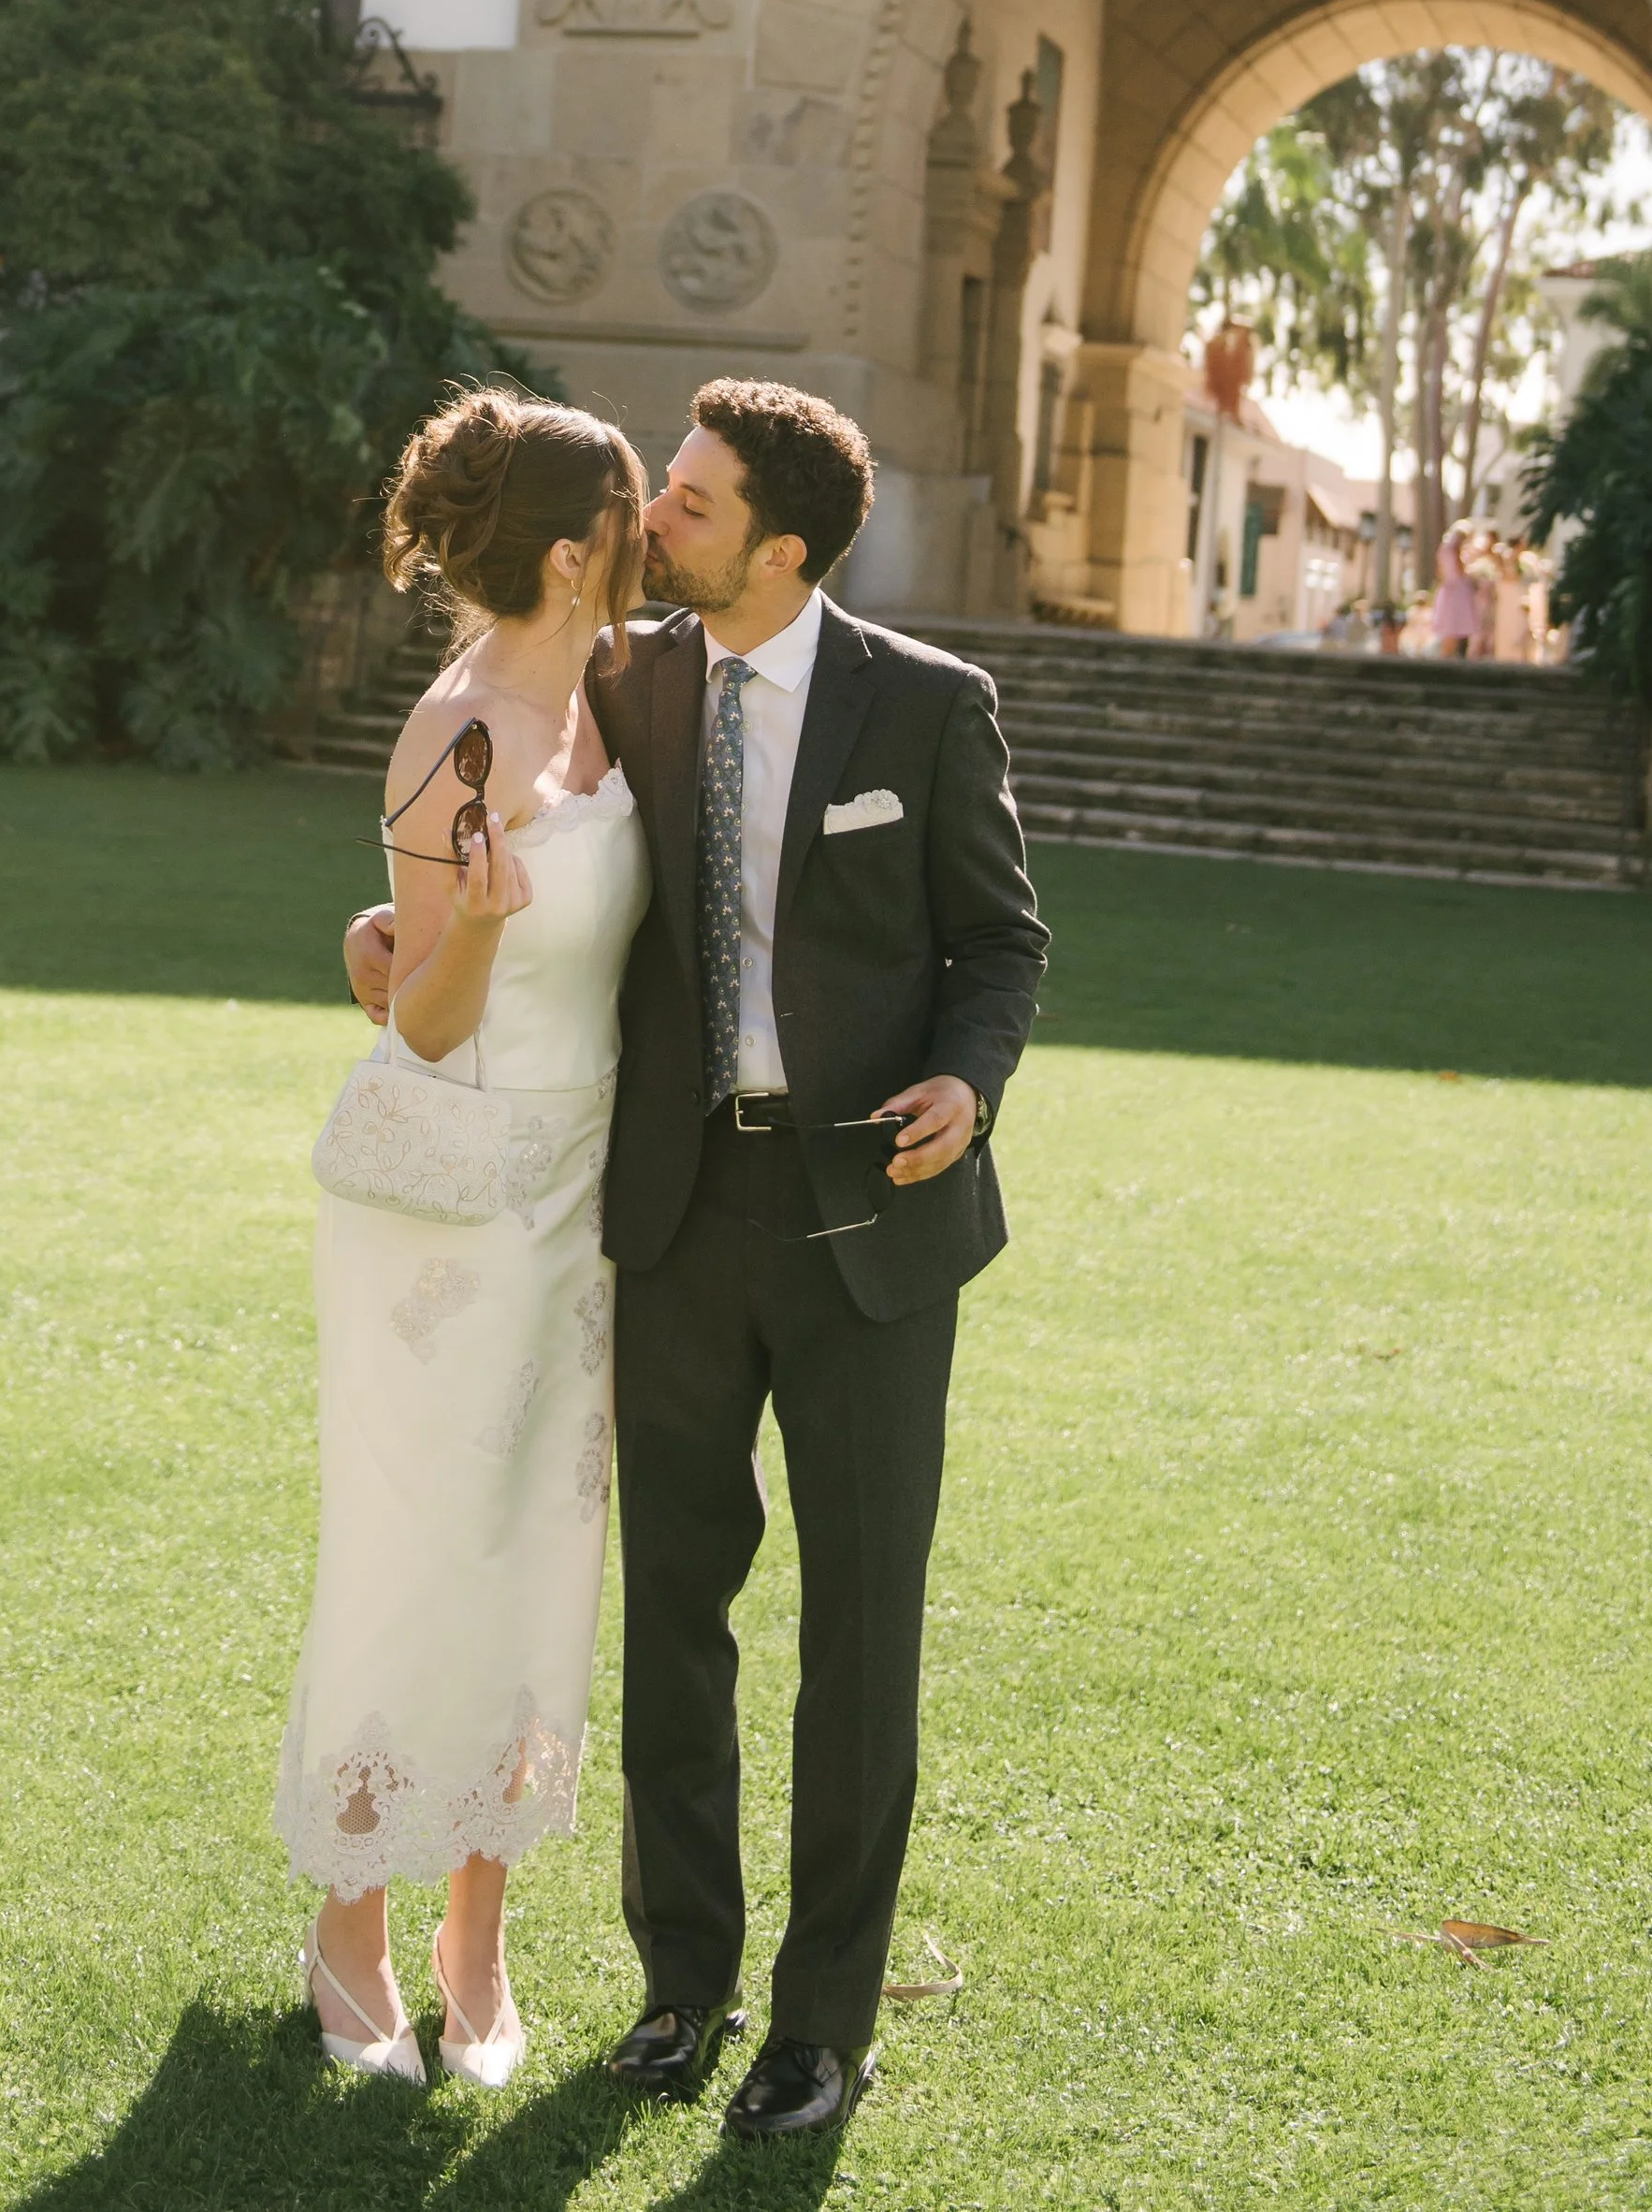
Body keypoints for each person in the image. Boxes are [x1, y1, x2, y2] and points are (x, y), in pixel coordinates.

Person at [346, 378, 1048, 2141]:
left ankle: (819, 2023)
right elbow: (481, 827)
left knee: (860, 1626)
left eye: (697, 499)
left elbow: (1000, 936)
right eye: (661, 488)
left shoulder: (929, 704)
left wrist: (970, 1072)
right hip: (660, 1211)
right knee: (672, 1610)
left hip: (873, 1225)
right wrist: (387, 928)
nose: (660, 517)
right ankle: (682, 1984)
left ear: (785, 546)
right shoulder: (628, 678)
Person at [283, 392, 650, 2090]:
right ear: (575, 551)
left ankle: (477, 1935)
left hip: (578, 1204)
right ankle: (348, 1927)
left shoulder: (622, 703)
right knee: (416, 1543)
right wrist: (468, 934)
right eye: (634, 524)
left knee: (538, 1555)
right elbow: (422, 1020)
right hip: (442, 1202)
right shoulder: (460, 732)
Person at [1430, 522, 1478, 661]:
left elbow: (1439, 572)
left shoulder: (1443, 551)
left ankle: (1448, 655)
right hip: (1457, 591)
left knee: (1451, 626)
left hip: (1449, 589)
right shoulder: (1455, 552)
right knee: (1454, 624)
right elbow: (1460, 571)